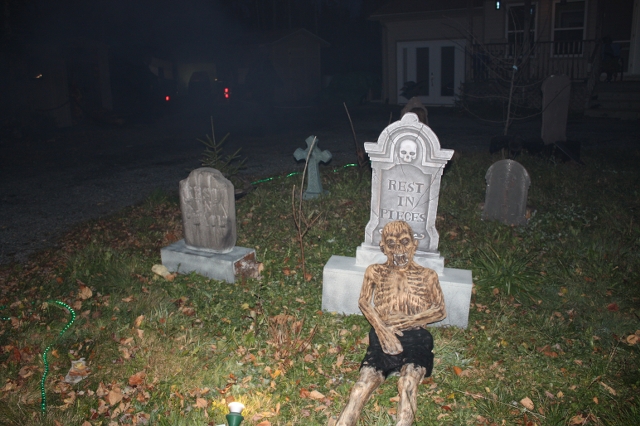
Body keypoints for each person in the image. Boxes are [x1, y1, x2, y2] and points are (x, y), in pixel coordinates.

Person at [335, 220, 446, 426]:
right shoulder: (375, 271)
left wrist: (409, 320)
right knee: (360, 387)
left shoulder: (427, 275)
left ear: (414, 244)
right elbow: (363, 302)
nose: (398, 249)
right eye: (391, 243)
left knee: (408, 382)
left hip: (416, 336)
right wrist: (381, 328)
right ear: (383, 247)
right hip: (382, 334)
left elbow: (440, 310)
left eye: (404, 242)